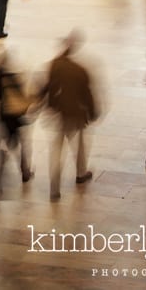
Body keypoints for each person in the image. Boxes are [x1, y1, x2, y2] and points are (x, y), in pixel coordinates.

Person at [44, 32, 98, 201]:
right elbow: (87, 94)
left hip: (60, 114)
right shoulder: (80, 70)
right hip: (76, 115)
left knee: (56, 151)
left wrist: (50, 106)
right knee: (80, 146)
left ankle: (54, 188)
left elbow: (49, 88)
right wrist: (92, 111)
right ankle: (80, 173)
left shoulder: (54, 64)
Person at [0, 52, 34, 187]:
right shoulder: (8, 77)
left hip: (2, 115)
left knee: (5, 146)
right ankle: (24, 172)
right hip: (13, 116)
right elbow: (20, 93)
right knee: (21, 143)